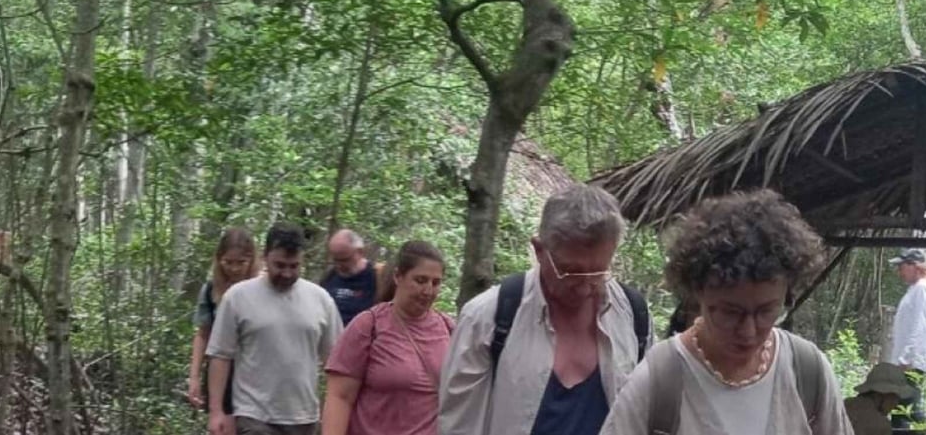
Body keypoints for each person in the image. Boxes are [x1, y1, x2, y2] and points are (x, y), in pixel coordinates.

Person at [599, 189, 852, 435]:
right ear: (698, 294)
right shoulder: (659, 380)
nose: (748, 331)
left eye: (766, 311)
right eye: (731, 313)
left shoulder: (807, 372)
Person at [439, 183, 653, 435]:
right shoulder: (487, 318)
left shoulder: (633, 317)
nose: (584, 287)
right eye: (569, 271)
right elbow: (459, 425)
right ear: (539, 250)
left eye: (598, 272)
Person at [207, 222, 344, 435]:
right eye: (279, 265)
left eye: (294, 266)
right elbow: (220, 355)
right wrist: (216, 411)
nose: (287, 273)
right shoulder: (238, 297)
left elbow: (337, 362)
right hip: (254, 415)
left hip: (304, 416)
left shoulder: (321, 299)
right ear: (265, 257)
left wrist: (334, 414)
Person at [323, 240, 455, 435]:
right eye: (420, 280)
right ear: (398, 276)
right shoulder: (368, 326)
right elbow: (340, 396)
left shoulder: (449, 329)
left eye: (435, 283)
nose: (428, 291)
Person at [189, 227, 260, 411]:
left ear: (252, 260)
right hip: (221, 372)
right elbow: (203, 333)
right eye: (228, 262)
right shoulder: (211, 290)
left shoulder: (264, 289)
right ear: (219, 259)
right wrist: (194, 377)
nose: (234, 269)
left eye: (241, 262)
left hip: (256, 371)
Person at [885, 249, 926, 430]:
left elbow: (920, 325)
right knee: (901, 411)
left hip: (913, 362)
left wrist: (905, 357)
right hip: (912, 360)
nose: (899, 272)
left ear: (914, 266)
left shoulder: (923, 288)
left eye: (901, 267)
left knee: (910, 409)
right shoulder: (919, 288)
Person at [323, 228, 383, 326]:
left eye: (344, 260)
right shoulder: (330, 276)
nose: (339, 265)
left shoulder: (378, 276)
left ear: (360, 252)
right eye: (335, 260)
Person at [843, 363, 919, 435]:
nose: (895, 404)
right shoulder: (881, 425)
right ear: (884, 394)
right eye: (895, 398)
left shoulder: (845, 404)